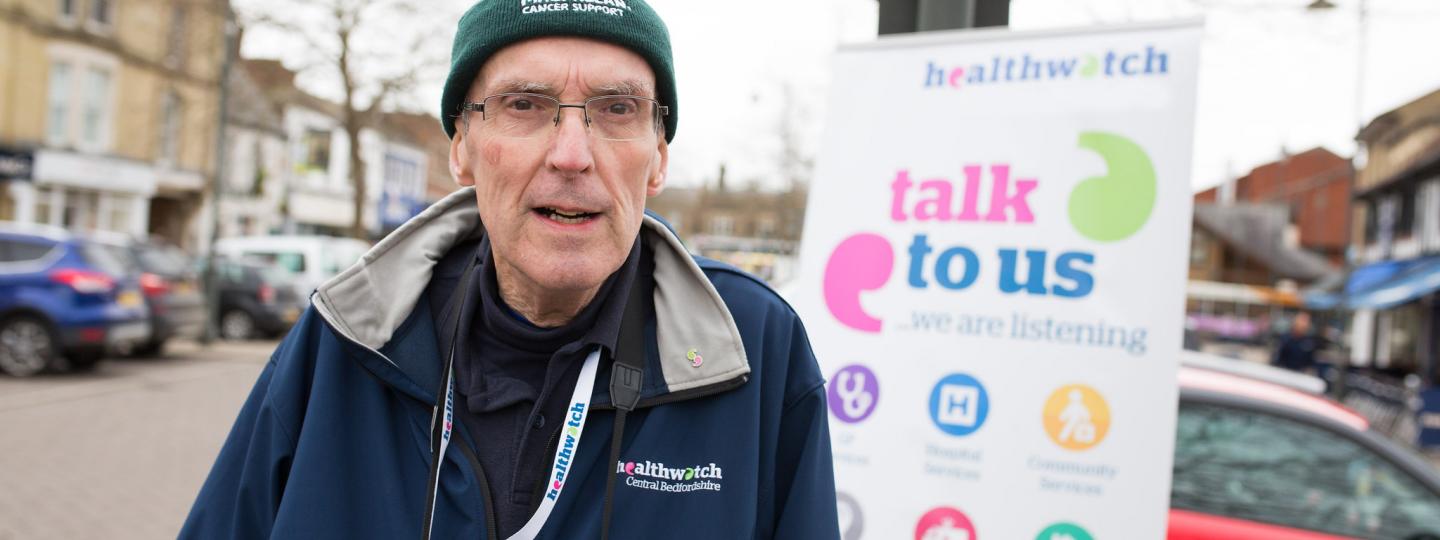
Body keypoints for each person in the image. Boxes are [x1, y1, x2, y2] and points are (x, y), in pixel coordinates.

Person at [180, 1, 839, 538]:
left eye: (617, 109)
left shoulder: (754, 347)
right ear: (462, 148)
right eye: (524, 105)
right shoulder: (348, 336)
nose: (573, 154)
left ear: (659, 157)